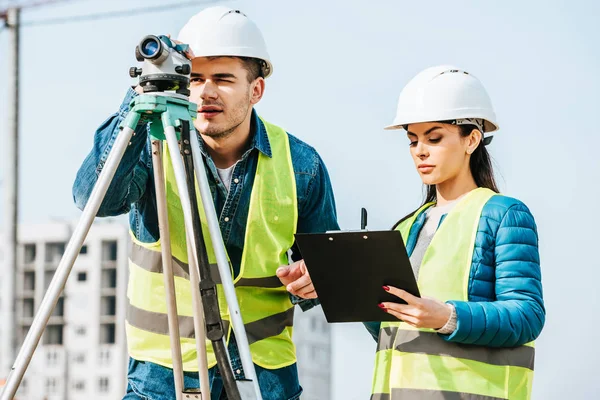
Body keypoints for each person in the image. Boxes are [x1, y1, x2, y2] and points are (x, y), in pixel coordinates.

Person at [73, 6, 338, 400]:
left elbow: (329, 269)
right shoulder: (151, 146)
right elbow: (94, 199)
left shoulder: (301, 164)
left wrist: (315, 279)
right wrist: (139, 99)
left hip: (264, 377)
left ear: (256, 89)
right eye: (194, 78)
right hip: (165, 378)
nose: (205, 92)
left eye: (223, 79)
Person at [368, 66, 545, 400]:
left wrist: (448, 317)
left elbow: (526, 314)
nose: (420, 150)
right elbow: (389, 326)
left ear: (472, 139)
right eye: (413, 140)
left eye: (434, 139)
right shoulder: (405, 228)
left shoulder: (503, 215)